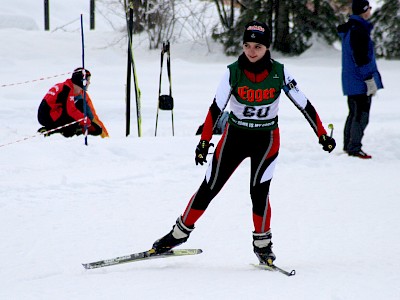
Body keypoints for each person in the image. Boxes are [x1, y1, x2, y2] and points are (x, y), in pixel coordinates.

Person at [149, 21, 336, 266]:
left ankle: (263, 245)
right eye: (247, 45)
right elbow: (215, 108)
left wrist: (321, 134)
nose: (251, 51)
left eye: (258, 46)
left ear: (267, 48)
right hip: (234, 138)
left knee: (259, 194)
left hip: (266, 140)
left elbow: (305, 104)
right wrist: (204, 142)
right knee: (209, 187)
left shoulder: (280, 72)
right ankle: (178, 235)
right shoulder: (233, 71)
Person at [337, 0, 383, 159]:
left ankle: (349, 145)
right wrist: (369, 79)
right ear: (364, 11)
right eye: (368, 8)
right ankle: (354, 148)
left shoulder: (352, 28)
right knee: (361, 115)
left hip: (352, 80)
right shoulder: (358, 30)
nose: (370, 10)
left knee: (353, 113)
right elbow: (361, 58)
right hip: (359, 81)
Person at [37, 68, 109, 138]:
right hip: (48, 117)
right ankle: (54, 131)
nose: (89, 83)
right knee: (79, 106)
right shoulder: (67, 89)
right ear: (81, 81)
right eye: (88, 80)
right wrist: (85, 121)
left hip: (50, 114)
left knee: (96, 129)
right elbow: (71, 111)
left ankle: (72, 129)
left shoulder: (68, 86)